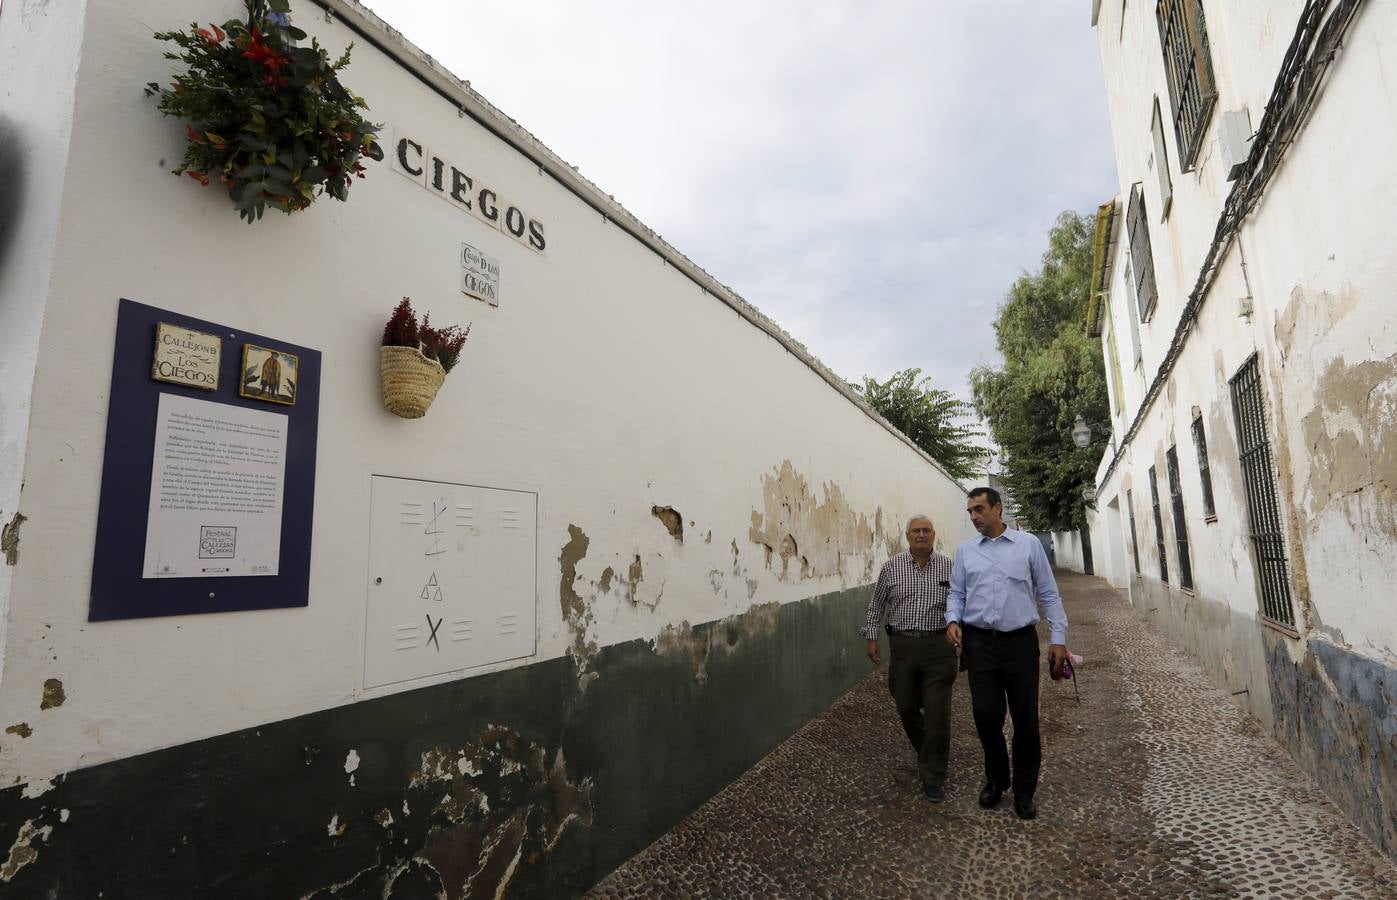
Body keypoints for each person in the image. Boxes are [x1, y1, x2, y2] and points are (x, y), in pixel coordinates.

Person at [946, 487, 1068, 820]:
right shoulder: (966, 552)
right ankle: (997, 780)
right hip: (980, 645)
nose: (973, 516)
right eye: (969, 511)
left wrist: (1058, 638)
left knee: (1025, 719)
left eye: (979, 509)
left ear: (997, 508)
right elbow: (957, 594)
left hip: (1019, 643)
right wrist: (952, 620)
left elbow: (1049, 594)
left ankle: (1025, 790)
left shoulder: (1028, 545)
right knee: (986, 716)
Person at [861, 515, 958, 802]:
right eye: (916, 531)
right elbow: (876, 604)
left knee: (937, 713)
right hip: (902, 648)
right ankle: (931, 751)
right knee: (905, 706)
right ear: (907, 536)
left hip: (939, 649)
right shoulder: (891, 568)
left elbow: (959, 602)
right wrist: (871, 637)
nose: (921, 535)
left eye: (926, 530)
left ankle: (932, 774)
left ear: (934, 535)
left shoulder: (949, 567)